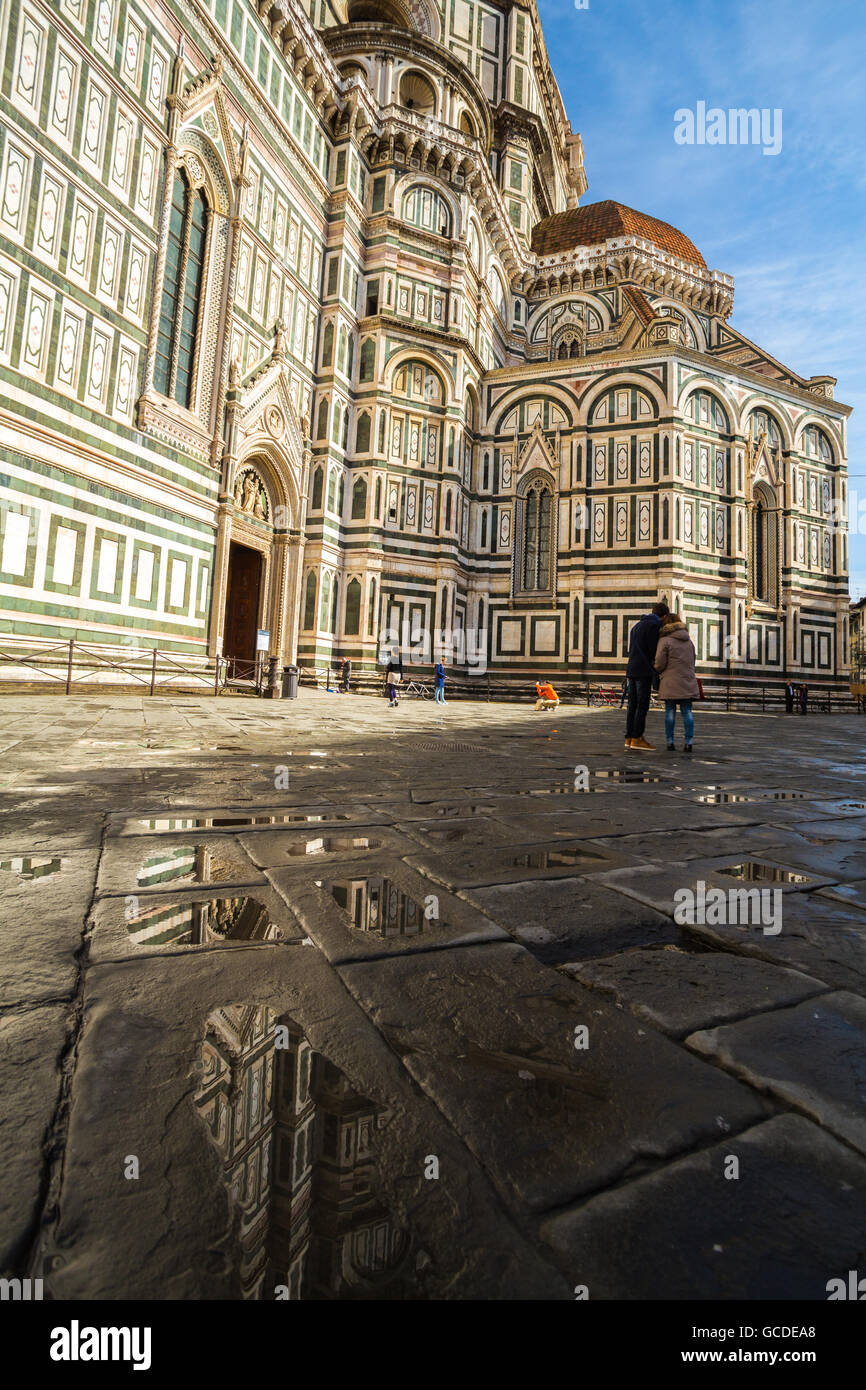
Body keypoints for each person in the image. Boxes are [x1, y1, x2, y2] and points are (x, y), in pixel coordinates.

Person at [624, 600, 669, 750]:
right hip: (643, 671)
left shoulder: (636, 626)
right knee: (642, 706)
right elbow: (653, 650)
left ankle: (629, 737)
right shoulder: (655, 626)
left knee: (632, 705)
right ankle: (637, 738)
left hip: (631, 669)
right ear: (663, 616)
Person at [653, 611, 699, 752]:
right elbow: (693, 660)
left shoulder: (664, 641)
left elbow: (659, 663)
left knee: (670, 711)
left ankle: (670, 742)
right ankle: (689, 742)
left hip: (670, 681)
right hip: (688, 680)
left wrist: (658, 670)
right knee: (687, 711)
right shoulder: (689, 641)